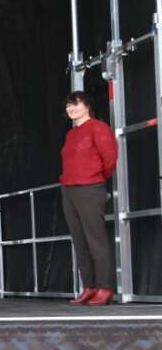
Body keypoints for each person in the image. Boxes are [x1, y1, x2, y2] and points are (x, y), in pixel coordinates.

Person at [60, 91, 118, 306]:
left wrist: (95, 179)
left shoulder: (98, 127)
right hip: (69, 189)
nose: (71, 108)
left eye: (76, 104)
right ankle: (89, 286)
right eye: (69, 105)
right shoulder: (71, 134)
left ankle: (104, 287)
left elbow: (110, 159)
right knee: (80, 240)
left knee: (96, 239)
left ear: (87, 106)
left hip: (90, 188)